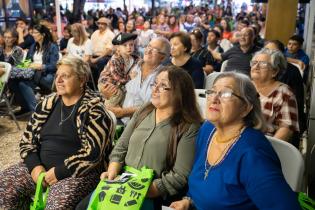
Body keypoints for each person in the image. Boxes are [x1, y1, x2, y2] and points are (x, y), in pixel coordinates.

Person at [77, 65, 202, 210]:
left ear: (179, 92)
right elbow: (121, 147)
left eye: (163, 86)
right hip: (122, 181)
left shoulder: (188, 127)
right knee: (82, 207)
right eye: (155, 83)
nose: (154, 89)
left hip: (151, 191)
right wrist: (112, 171)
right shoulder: (145, 110)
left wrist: (142, 190)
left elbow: (179, 176)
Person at [170, 72, 300, 210]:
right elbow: (202, 181)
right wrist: (189, 201)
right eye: (212, 91)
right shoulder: (208, 129)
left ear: (246, 108)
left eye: (226, 94)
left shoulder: (253, 154)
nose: (214, 98)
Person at [0, 56, 114, 209]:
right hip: (40, 169)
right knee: (3, 188)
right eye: (57, 76)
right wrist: (35, 167)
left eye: (65, 76)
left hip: (76, 174)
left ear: (82, 80)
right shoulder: (46, 104)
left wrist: (59, 172)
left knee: (57, 206)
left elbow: (93, 154)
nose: (58, 80)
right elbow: (27, 142)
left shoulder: (94, 110)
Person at [106, 37, 170, 124]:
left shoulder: (164, 76)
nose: (148, 50)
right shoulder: (132, 65)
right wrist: (108, 93)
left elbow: (155, 105)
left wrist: (122, 112)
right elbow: (116, 84)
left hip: (142, 123)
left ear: (162, 57)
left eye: (154, 49)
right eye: (148, 46)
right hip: (119, 118)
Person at [250, 48, 299, 142]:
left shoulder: (284, 93)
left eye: (263, 64)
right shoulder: (243, 85)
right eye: (254, 62)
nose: (256, 66)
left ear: (274, 71)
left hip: (263, 144)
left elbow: (286, 129)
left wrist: (267, 148)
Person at [10, 24, 60, 114]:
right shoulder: (33, 46)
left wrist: (41, 66)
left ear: (43, 34)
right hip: (34, 74)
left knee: (23, 82)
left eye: (35, 33)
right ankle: (30, 108)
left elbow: (54, 66)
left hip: (47, 76)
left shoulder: (52, 47)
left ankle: (35, 111)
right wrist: (26, 63)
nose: (33, 34)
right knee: (15, 82)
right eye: (32, 32)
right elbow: (28, 61)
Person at [98, 32, 139, 107]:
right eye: (125, 45)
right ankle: (106, 110)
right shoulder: (115, 59)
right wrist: (130, 78)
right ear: (118, 48)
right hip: (107, 82)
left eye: (131, 45)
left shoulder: (133, 58)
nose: (129, 47)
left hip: (120, 83)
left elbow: (138, 62)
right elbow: (117, 77)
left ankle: (117, 110)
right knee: (117, 94)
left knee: (125, 95)